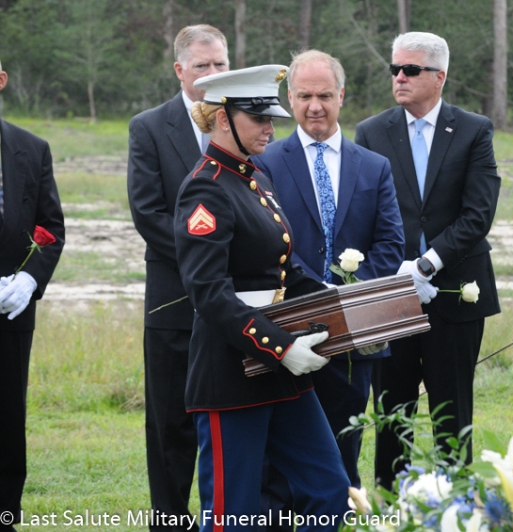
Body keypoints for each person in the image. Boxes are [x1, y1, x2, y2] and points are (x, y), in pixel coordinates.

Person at [173, 64, 350, 532]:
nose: (270, 127)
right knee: (233, 514)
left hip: (281, 373)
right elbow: (209, 293)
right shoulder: (206, 188)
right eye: (258, 118)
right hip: (232, 373)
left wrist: (347, 309)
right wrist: (281, 347)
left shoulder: (255, 180)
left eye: (271, 117)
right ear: (222, 118)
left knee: (329, 489)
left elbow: (287, 271)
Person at [354, 31, 502, 490]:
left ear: (439, 76)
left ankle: (456, 505)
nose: (399, 77)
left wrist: (426, 264)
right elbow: (364, 213)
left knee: (452, 412)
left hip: (455, 291)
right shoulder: (372, 132)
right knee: (391, 411)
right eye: (394, 69)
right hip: (390, 295)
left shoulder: (473, 130)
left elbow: (478, 213)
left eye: (411, 69)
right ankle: (390, 503)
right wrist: (394, 271)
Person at [252, 50, 404, 495]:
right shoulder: (265, 163)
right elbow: (265, 241)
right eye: (304, 96)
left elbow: (391, 244)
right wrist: (314, 293)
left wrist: (345, 297)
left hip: (353, 336)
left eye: (324, 95)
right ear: (289, 100)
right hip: (287, 330)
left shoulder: (373, 166)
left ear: (341, 96)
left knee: (342, 455)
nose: (314, 106)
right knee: (279, 465)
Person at [127, 24, 228, 530]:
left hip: (235, 300)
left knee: (227, 421)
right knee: (170, 424)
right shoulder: (149, 127)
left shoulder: (241, 119)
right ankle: (169, 519)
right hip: (173, 299)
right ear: (179, 70)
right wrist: (206, 263)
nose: (212, 74)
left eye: (220, 64)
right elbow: (148, 213)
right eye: (202, 65)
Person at [0, 59, 65, 532]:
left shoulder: (31, 148)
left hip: (11, 310)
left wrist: (28, 280)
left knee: (7, 419)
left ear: (1, 80)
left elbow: (52, 227)